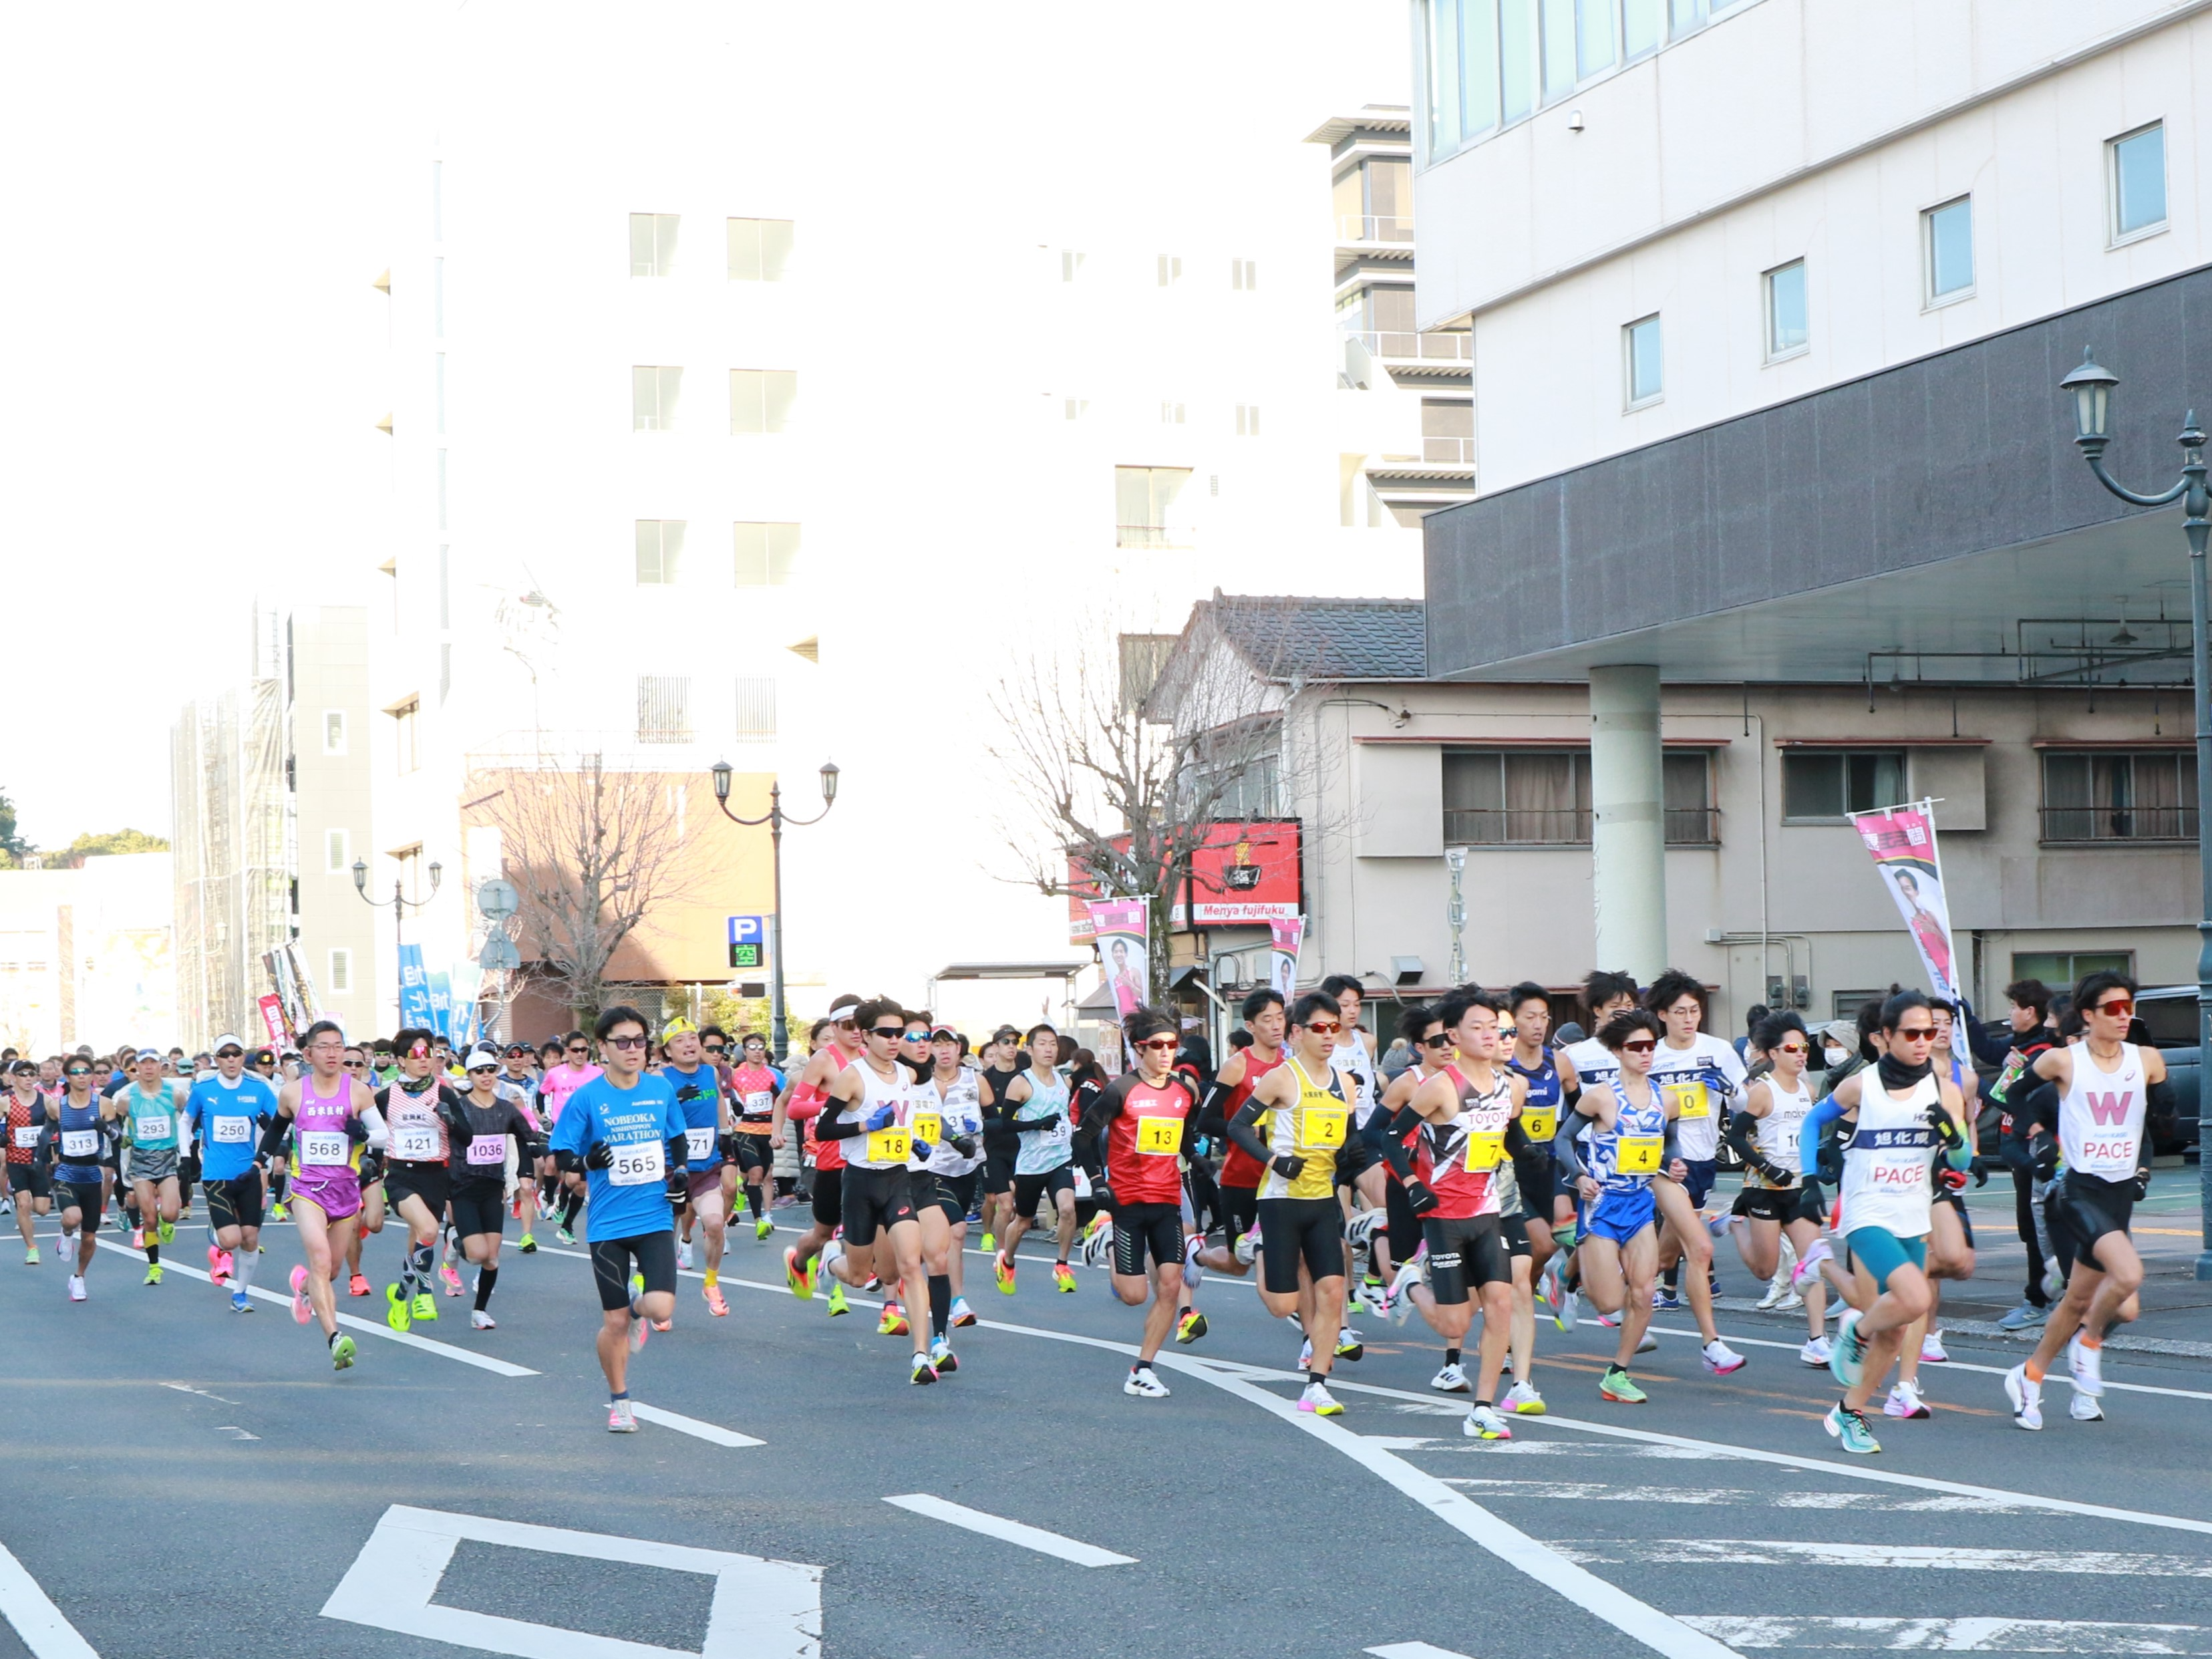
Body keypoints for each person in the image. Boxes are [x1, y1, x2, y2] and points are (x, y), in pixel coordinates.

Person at [1797, 990, 1972, 1454]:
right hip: (1866, 1211)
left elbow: (1963, 1157)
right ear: (1886, 1036)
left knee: (1898, 1327)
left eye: (1929, 1033)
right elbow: (1811, 1122)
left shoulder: (1944, 1089)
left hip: (1912, 1214)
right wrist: (1809, 1178)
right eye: (1911, 1033)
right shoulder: (1861, 1085)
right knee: (1913, 1297)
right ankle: (1856, 1330)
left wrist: (1952, 1134)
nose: (1922, 1042)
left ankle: (1848, 1411)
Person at [2004, 971, 2169, 1431]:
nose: (2123, 1015)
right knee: (2129, 1276)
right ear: (2088, 1015)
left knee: (2079, 1299)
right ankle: (2088, 1346)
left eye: (2128, 1006)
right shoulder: (2063, 1061)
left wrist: (2160, 1116)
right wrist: (2031, 1144)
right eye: (2112, 1008)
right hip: (2078, 1191)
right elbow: (2011, 1095)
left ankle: (2028, 1376)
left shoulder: (2148, 1061)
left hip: (2118, 1196)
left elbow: (2159, 1116)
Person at [1383, 990, 1525, 1441]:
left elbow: (1499, 1141)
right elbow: (1389, 1137)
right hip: (1444, 1218)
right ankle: (1408, 1282)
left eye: (1495, 1027)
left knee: (1501, 1303)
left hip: (1487, 1213)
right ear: (1454, 1035)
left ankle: (1481, 1409)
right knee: (1455, 1324)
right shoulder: (1441, 1086)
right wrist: (1412, 1185)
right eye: (1478, 1027)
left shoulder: (1508, 1086)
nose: (1489, 1035)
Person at [549, 1007, 691, 1429]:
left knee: (661, 1307)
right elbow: (561, 1155)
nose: (633, 1050)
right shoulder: (587, 1098)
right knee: (613, 1323)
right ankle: (620, 1401)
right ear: (602, 1048)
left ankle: (635, 1306)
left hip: (654, 1216)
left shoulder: (660, 1089)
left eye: (640, 1041)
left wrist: (680, 1174)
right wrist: (587, 1160)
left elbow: (678, 1138)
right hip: (608, 1224)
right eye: (622, 1042)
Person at [1229, 990, 1363, 1418]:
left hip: (1323, 1200)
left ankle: (1317, 1386)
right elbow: (1237, 1126)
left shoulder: (1345, 1083)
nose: (1329, 1036)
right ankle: (1260, 1248)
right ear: (1298, 1033)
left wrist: (1354, 1159)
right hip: (1281, 1201)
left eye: (1335, 1028)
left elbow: (1350, 1139)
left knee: (1332, 1291)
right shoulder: (1281, 1078)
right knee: (1283, 1305)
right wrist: (1273, 1159)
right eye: (1320, 1028)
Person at [810, 998, 942, 1385]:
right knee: (859, 1275)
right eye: (885, 1033)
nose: (893, 1039)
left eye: (898, 1033)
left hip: (898, 1180)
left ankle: (922, 1355)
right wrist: (866, 1126)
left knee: (907, 1268)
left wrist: (915, 1140)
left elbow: (903, 1118)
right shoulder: (852, 1076)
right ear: (866, 1036)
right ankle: (830, 1261)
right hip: (860, 1183)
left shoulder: (905, 1074)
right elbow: (824, 1130)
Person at [1550, 1007, 1674, 1403]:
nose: (1645, 1053)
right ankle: (1565, 1273)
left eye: (1650, 1045)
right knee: (1608, 1301)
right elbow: (1563, 1140)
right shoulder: (1601, 1097)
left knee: (1643, 1292)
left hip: (1639, 1203)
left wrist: (1675, 1163)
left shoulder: (1666, 1099)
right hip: (1601, 1205)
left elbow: (1668, 1143)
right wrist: (1581, 1175)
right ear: (1618, 1052)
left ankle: (1617, 1374)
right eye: (1636, 1046)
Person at [1080, 1006, 1197, 1398]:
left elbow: (1180, 1137)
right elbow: (1083, 1137)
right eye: (1157, 1046)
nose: (1167, 1052)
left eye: (1173, 1045)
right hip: (1127, 1201)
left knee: (1169, 1285)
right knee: (1134, 1296)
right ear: (1139, 1049)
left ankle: (1143, 1368)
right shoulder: (1122, 1090)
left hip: (1166, 1199)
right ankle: (1107, 1238)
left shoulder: (1184, 1092)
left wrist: (1198, 1161)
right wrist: (1099, 1182)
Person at [259, 1021, 385, 1368]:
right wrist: (259, 1162)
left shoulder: (359, 1091)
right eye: (325, 1046)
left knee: (329, 1271)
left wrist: (361, 1133)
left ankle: (303, 1288)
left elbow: (384, 1136)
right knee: (319, 1257)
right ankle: (335, 1337)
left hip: (346, 1191)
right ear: (309, 1053)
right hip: (307, 1189)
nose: (333, 1053)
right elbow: (276, 1130)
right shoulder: (293, 1093)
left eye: (338, 1046)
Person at [1720, 1012, 1843, 1367]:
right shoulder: (1763, 1091)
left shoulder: (1809, 1090)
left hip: (1799, 1189)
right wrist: (1768, 1168)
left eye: (1804, 1047)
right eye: (1792, 1048)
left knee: (1814, 1263)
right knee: (1765, 1269)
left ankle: (1817, 1340)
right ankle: (1734, 1224)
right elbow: (1736, 1138)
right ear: (1773, 1054)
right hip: (1764, 1189)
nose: (1801, 1054)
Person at [1639, 970, 1746, 1375]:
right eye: (1680, 1012)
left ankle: (1606, 1289)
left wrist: (1730, 1089)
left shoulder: (1718, 1050)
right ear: (1662, 1014)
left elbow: (1746, 1104)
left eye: (1695, 1011)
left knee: (1664, 1254)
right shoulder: (1651, 1054)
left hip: (1702, 1161)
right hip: (1662, 1163)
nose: (1688, 1019)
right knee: (1700, 1249)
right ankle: (1712, 1343)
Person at [375, 1030, 466, 1332]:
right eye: (415, 1054)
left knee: (421, 1238)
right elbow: (371, 1134)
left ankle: (400, 1293)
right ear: (401, 1061)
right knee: (429, 1229)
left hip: (436, 1175)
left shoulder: (444, 1093)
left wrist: (450, 1120)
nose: (424, 1058)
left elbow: (467, 1137)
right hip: (402, 1175)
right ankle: (425, 1292)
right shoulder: (387, 1096)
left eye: (428, 1052)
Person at [184, 1034, 281, 1311]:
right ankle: (216, 1236)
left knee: (250, 1238)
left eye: (235, 1054)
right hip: (216, 1173)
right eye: (224, 1054)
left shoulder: (259, 1088)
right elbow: (186, 1121)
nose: (230, 1059)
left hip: (248, 1172)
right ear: (216, 1060)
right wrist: (184, 1155)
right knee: (232, 1239)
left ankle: (240, 1294)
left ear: (242, 1057)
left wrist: (266, 1147)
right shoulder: (204, 1089)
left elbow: (281, 1123)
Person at [781, 997, 865, 1314]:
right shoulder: (823, 1060)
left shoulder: (872, 1056)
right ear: (834, 1027)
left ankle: (885, 1296)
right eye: (848, 1026)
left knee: (870, 1224)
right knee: (822, 1232)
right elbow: (795, 1107)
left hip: (866, 1155)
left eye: (861, 1025)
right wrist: (835, 1104)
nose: (856, 1032)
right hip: (832, 1156)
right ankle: (799, 1262)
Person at [1989, 977, 2060, 1331]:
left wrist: (2010, 1077)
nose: (2010, 1014)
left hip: (2046, 1150)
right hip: (2025, 1147)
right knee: (2033, 1226)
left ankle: (2042, 1299)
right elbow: (2004, 1092)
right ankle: (2047, 1297)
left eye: (2014, 1007)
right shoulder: (2027, 1050)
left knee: (2043, 1227)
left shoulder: (2043, 1054)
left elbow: (2007, 1097)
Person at [914, 1024, 987, 1351]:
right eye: (937, 1044)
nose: (944, 1050)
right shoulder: (921, 1082)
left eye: (950, 1045)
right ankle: (957, 1300)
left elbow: (996, 1116)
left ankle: (915, 1283)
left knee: (938, 1242)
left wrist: (979, 1127)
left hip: (967, 1167)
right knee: (956, 1231)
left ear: (959, 1049)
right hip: (933, 1169)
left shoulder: (975, 1079)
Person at [994, 1024, 1080, 1296]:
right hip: (1031, 1165)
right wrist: (1037, 1125)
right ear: (1029, 1049)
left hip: (1060, 1159)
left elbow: (1065, 1119)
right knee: (1022, 1221)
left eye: (1053, 1044)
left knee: (1067, 1209)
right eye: (1042, 1044)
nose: (1049, 1049)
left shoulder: (1065, 1082)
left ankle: (1063, 1265)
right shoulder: (1021, 1083)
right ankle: (1007, 1262)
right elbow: (1004, 1125)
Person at [657, 1019, 732, 1317]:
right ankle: (654, 1289)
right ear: (667, 1050)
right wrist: (674, 1100)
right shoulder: (659, 1078)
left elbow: (718, 1104)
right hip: (669, 1170)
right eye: (680, 1041)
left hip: (705, 1166)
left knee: (715, 1224)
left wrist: (727, 1137)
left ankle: (711, 1282)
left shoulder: (710, 1072)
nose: (689, 1045)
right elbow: (648, 1112)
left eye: (692, 1039)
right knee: (663, 1237)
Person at [116, 1048, 187, 1284]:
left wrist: (189, 1153)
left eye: (152, 1063)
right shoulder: (126, 1099)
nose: (148, 1067)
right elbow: (117, 1127)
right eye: (143, 1063)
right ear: (136, 1067)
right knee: (148, 1218)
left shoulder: (175, 1094)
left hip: (167, 1160)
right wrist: (121, 1141)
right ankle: (154, 1267)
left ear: (161, 1067)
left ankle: (168, 1223)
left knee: (170, 1213)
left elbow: (187, 1121)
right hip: (140, 1161)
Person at [47, 1056, 115, 1300]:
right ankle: (65, 1234)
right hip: (66, 1173)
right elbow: (46, 1134)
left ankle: (78, 1278)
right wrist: (39, 1159)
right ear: (67, 1077)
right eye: (76, 1072)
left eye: (87, 1071)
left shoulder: (104, 1104)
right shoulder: (57, 1106)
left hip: (92, 1176)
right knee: (72, 1217)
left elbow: (120, 1138)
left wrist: (106, 1129)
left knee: (89, 1237)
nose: (82, 1075)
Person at [726, 1032, 783, 1242]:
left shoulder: (773, 1074)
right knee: (756, 1173)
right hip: (745, 1129)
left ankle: (766, 1213)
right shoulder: (736, 1074)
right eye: (752, 1047)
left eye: (761, 1047)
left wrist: (778, 1095)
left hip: (767, 1130)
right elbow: (726, 1096)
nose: (757, 1051)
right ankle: (759, 1220)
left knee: (766, 1175)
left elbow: (783, 1101)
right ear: (745, 1050)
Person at [5, 1060, 52, 1264]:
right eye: (22, 1074)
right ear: (13, 1077)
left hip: (39, 1162)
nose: (28, 1078)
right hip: (15, 1160)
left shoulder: (46, 1100)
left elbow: (58, 1123)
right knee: (23, 1204)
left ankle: (27, 1200)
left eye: (31, 1074)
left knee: (42, 1209)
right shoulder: (6, 1101)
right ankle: (32, 1248)